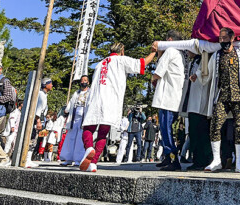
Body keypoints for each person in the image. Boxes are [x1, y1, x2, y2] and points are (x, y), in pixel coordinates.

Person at [80, 42, 154, 172]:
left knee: (88, 128)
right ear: (122, 50)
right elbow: (141, 64)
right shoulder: (121, 60)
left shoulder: (100, 63)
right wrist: (154, 52)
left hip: (95, 98)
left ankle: (88, 148)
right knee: (103, 133)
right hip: (110, 100)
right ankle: (94, 162)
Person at [202, 27, 240, 173]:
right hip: (222, 96)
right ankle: (216, 160)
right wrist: (198, 75)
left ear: (232, 38)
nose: (222, 41)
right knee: (215, 125)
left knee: (239, 128)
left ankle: (239, 162)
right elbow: (208, 73)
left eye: (225, 38)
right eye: (220, 39)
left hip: (239, 97)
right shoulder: (216, 56)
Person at [151, 30, 186, 171]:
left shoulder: (170, 51)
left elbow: (158, 73)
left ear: (169, 40)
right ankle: (167, 157)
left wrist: (152, 79)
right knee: (166, 128)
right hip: (174, 97)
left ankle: (173, 159)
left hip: (167, 97)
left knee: (166, 128)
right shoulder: (181, 53)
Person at [60, 75, 90, 166]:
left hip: (83, 118)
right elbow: (71, 103)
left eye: (85, 80)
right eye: (82, 80)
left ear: (88, 82)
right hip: (74, 117)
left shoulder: (90, 93)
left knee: (80, 139)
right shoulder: (76, 93)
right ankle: (68, 158)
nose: (83, 82)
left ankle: (78, 159)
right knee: (70, 137)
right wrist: (67, 110)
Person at [0, 47, 15, 167]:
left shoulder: (4, 81)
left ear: (0, 69)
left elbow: (8, 96)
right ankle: (3, 157)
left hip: (0, 112)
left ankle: (4, 157)